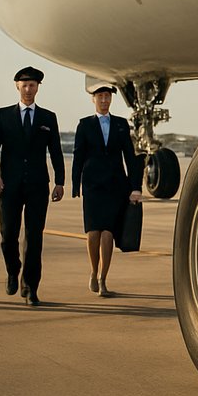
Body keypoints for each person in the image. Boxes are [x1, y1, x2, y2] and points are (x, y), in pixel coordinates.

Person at [0, 67, 65, 307]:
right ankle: (13, 270)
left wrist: (60, 181)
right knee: (8, 235)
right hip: (9, 185)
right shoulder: (3, 115)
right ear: (17, 86)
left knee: (34, 237)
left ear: (38, 87)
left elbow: (56, 152)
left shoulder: (47, 117)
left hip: (38, 186)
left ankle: (31, 287)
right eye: (24, 85)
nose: (28, 89)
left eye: (32, 85)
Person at [71, 84, 142, 297]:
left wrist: (135, 187)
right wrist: (75, 185)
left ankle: (103, 277)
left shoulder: (121, 124)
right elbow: (78, 156)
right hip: (92, 185)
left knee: (108, 232)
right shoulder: (84, 125)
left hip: (115, 185)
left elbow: (131, 157)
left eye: (107, 97)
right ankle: (93, 271)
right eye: (100, 97)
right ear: (93, 99)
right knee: (93, 232)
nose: (104, 100)